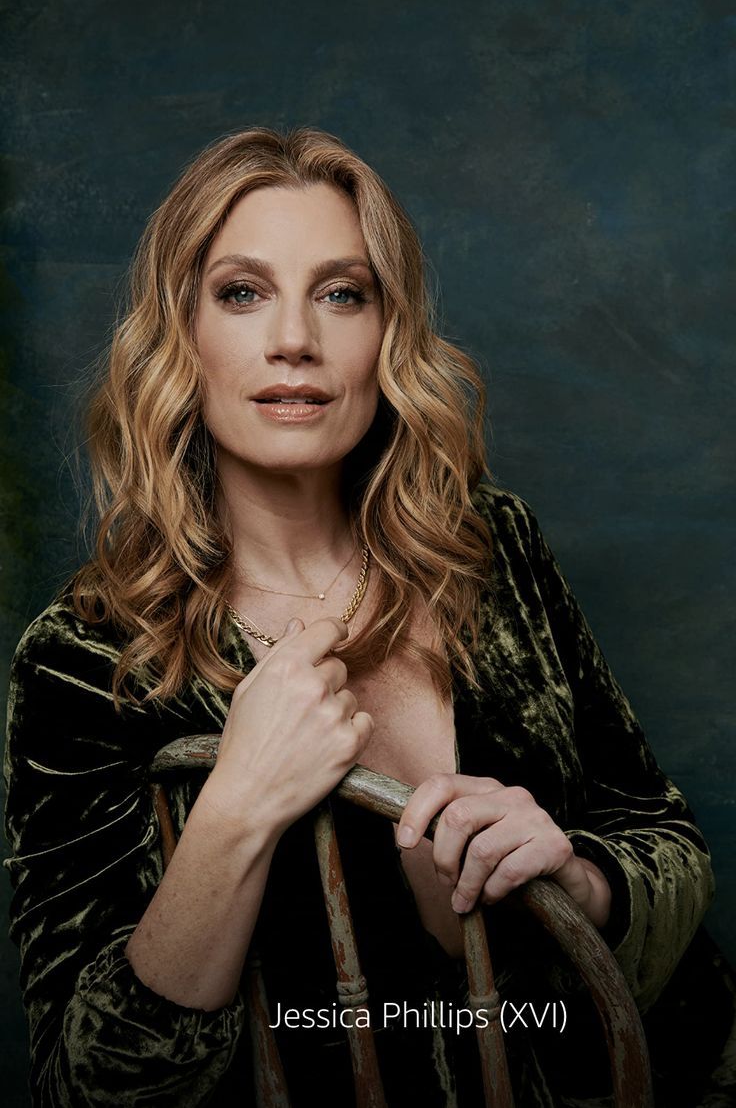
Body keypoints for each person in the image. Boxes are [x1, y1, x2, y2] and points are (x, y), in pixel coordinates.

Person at [3, 126, 734, 1108]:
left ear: (386, 332)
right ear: (183, 333)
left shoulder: (488, 546)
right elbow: (85, 1087)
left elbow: (665, 837)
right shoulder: (83, 659)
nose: (294, 338)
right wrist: (236, 806)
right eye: (242, 291)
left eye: (341, 292)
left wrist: (582, 878)